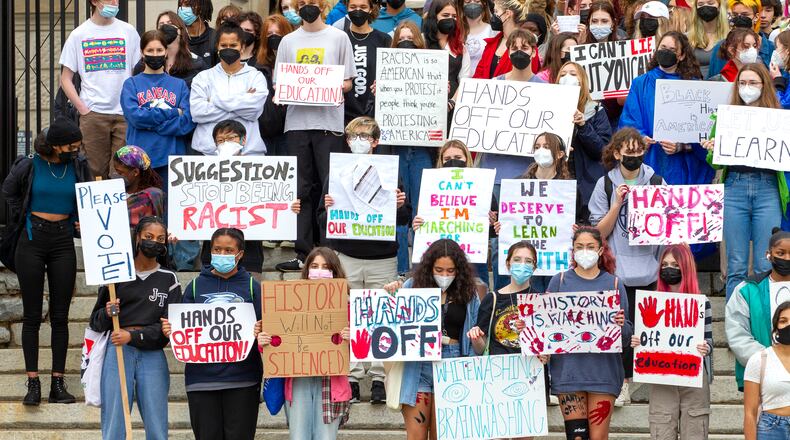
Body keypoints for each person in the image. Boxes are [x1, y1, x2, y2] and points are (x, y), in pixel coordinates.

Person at [317, 116, 410, 404]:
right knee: (351, 315)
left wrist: (400, 206)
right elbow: (321, 219)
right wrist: (329, 208)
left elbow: (405, 219)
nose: (360, 141)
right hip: (346, 254)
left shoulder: (390, 173)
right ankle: (354, 375)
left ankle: (380, 375)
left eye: (366, 137)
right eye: (354, 136)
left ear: (376, 141)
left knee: (382, 314)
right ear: (347, 141)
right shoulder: (338, 172)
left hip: (383, 256)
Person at [2, 119, 93, 405]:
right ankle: (33, 383)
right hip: (32, 240)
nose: (75, 150)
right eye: (71, 146)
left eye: (78, 146)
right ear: (55, 145)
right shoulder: (29, 165)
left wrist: (81, 219)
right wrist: (23, 214)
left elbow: (88, 198)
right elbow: (9, 191)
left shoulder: (78, 166)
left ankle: (57, 383)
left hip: (63, 241)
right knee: (31, 316)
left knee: (60, 316)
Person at [273, 0, 356, 272]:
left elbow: (348, 82)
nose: (308, 6)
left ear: (323, 5)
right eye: (303, 2)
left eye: (313, 1)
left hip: (329, 124)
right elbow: (279, 82)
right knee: (301, 190)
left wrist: (323, 85)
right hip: (297, 124)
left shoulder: (339, 37)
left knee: (330, 190)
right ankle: (302, 252)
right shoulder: (288, 41)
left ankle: (329, 251)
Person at [161, 227, 263, 440]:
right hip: (201, 381)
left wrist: (260, 330)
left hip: (242, 380)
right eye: (217, 249)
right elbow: (183, 327)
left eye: (228, 250)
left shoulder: (254, 288)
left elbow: (269, 330)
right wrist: (172, 330)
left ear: (240, 254)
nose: (222, 254)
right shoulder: (196, 286)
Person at [589, 128, 665, 407]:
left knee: (646, 329)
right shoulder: (605, 185)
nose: (633, 156)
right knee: (620, 330)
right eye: (628, 151)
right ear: (617, 152)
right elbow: (599, 231)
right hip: (617, 273)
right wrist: (617, 204)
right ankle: (621, 383)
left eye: (638, 151)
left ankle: (644, 380)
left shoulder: (656, 181)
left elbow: (670, 224)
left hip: (648, 269)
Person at [89, 216, 180, 440]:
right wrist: (108, 313)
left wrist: (133, 336)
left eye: (160, 239)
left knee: (157, 421)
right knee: (115, 420)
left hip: (152, 354)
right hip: (117, 351)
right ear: (138, 237)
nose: (154, 242)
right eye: (148, 237)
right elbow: (95, 320)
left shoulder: (169, 279)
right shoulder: (115, 274)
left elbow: (169, 329)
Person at [383, 239, 480, 440]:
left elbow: (475, 334)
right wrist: (392, 294)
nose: (444, 275)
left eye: (450, 271)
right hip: (418, 365)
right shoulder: (412, 286)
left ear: (459, 270)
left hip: (453, 364)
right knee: (416, 436)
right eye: (439, 270)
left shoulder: (468, 292)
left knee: (443, 435)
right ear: (429, 267)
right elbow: (390, 320)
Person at [703, 63, 785, 300]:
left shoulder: (778, 117)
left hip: (767, 189)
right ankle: (735, 331)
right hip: (735, 188)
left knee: (764, 264)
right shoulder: (726, 115)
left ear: (764, 86)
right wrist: (713, 150)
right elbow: (715, 163)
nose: (746, 88)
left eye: (753, 83)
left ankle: (764, 327)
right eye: (742, 83)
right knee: (736, 265)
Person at [545, 226, 631, 440]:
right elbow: (545, 325)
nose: (585, 251)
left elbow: (627, 336)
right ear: (572, 250)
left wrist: (621, 325)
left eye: (590, 247)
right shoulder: (559, 280)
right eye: (579, 246)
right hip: (568, 372)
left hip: (603, 373)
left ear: (601, 250)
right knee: (576, 437)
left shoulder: (614, 283)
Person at [259, 248, 352, 439]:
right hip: (298, 379)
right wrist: (263, 340)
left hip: (330, 381)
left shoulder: (348, 306)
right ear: (307, 271)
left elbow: (360, 348)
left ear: (335, 272)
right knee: (299, 436)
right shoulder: (288, 303)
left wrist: (352, 336)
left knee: (326, 437)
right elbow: (276, 342)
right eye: (315, 266)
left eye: (326, 267)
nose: (319, 271)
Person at [194, 119, 302, 278]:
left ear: (243, 140)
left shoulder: (265, 171)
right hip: (215, 254)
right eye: (221, 141)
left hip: (250, 253)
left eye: (231, 139)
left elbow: (275, 201)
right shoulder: (200, 173)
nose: (226, 144)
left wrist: (289, 207)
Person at [630, 244, 714, 439]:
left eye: (675, 265)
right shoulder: (651, 301)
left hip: (693, 375)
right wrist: (637, 341)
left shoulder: (702, 302)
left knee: (695, 431)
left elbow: (709, 340)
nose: (669, 269)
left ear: (685, 267)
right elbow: (646, 338)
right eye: (665, 264)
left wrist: (705, 347)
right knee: (662, 430)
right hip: (662, 376)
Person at [619, 31, 713, 187]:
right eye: (663, 47)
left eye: (672, 50)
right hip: (651, 158)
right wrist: (641, 138)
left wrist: (683, 146)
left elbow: (703, 131)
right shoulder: (640, 84)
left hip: (684, 165)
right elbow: (629, 120)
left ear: (681, 56)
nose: (666, 52)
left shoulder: (694, 86)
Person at [59, 0, 140, 179]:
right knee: (93, 173)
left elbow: (138, 71)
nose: (114, 2)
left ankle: (123, 208)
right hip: (93, 114)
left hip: (124, 113)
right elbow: (65, 79)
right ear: (94, 1)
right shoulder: (78, 34)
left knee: (123, 173)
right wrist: (83, 109)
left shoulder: (128, 31)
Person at [412, 140, 497, 290]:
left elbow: (492, 233)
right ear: (441, 161)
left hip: (473, 261)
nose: (452, 162)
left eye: (458, 157)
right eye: (447, 159)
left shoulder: (483, 187)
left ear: (467, 159)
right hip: (440, 261)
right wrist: (417, 225)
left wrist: (491, 222)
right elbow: (426, 219)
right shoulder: (430, 188)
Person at [121, 29, 195, 182]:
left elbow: (187, 121)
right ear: (142, 53)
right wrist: (173, 113)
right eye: (150, 50)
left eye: (159, 50)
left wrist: (151, 124)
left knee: (169, 205)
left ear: (166, 52)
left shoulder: (179, 85)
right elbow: (135, 117)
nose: (155, 54)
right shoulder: (131, 84)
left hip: (172, 160)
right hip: (139, 160)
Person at [190, 20, 268, 156]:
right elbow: (198, 113)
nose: (228, 49)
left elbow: (254, 111)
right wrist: (243, 101)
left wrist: (213, 100)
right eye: (224, 45)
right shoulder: (202, 78)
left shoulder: (256, 77)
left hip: (249, 154)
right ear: (217, 47)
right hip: (206, 154)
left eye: (233, 45)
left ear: (242, 47)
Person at [727, 229, 790, 396]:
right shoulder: (746, 290)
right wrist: (769, 362)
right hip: (761, 378)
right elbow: (737, 333)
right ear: (768, 254)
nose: (787, 259)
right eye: (781, 253)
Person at [557, 61, 612, 224]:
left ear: (583, 81)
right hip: (558, 183)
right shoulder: (548, 108)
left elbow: (602, 150)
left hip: (587, 186)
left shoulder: (595, 110)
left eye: (573, 74)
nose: (567, 77)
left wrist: (583, 125)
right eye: (563, 74)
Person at [334, 0, 392, 124]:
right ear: (347, 9)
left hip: (374, 115)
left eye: (363, 7)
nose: (358, 11)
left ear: (371, 9)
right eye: (353, 7)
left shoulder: (384, 40)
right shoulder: (339, 38)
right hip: (343, 115)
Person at [744, 301, 790, 439]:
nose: (788, 325)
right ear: (776, 327)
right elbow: (749, 413)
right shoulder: (759, 359)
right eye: (783, 321)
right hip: (771, 430)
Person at [255, 14, 295, 156]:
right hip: (265, 132)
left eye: (278, 34)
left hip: (290, 131)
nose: (274, 37)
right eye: (270, 34)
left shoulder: (297, 63)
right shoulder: (258, 66)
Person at [133, 12, 207, 87]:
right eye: (161, 25)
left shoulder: (196, 64)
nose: (165, 27)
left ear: (180, 30)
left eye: (170, 23)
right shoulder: (143, 64)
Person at [706, 0, 775, 78]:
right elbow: (713, 80)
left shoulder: (771, 48)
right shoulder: (721, 47)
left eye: (745, 14)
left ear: (756, 17)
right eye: (735, 15)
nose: (739, 18)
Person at [473, 0, 534, 79]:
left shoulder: (526, 46)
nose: (493, 15)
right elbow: (478, 75)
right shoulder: (491, 44)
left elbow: (530, 79)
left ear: (508, 14)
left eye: (496, 11)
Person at [424, 0, 471, 102]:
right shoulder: (422, 43)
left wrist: (452, 102)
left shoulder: (461, 48)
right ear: (434, 17)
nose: (450, 19)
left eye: (454, 16)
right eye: (445, 15)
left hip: (452, 105)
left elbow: (465, 80)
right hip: (426, 104)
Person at [112, 146, 165, 231]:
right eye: (115, 171)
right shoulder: (112, 193)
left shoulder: (152, 196)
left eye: (120, 172)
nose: (116, 175)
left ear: (135, 172)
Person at [688, 0, 730, 78]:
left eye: (710, 3)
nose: (705, 6)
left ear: (720, 7)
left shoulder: (730, 37)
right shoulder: (687, 38)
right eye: (700, 4)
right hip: (693, 86)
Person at [178, 0, 217, 66]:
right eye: (180, 5)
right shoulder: (177, 37)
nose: (182, 8)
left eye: (187, 4)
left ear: (202, 8)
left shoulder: (215, 37)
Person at [465, 0, 496, 72]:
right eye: (468, 1)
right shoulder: (456, 30)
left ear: (484, 3)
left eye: (477, 1)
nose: (472, 4)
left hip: (482, 80)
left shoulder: (492, 31)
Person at [770, 30, 790, 108]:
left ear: (787, 50)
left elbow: (782, 105)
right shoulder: (786, 73)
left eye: (777, 48)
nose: (775, 52)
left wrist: (778, 79)